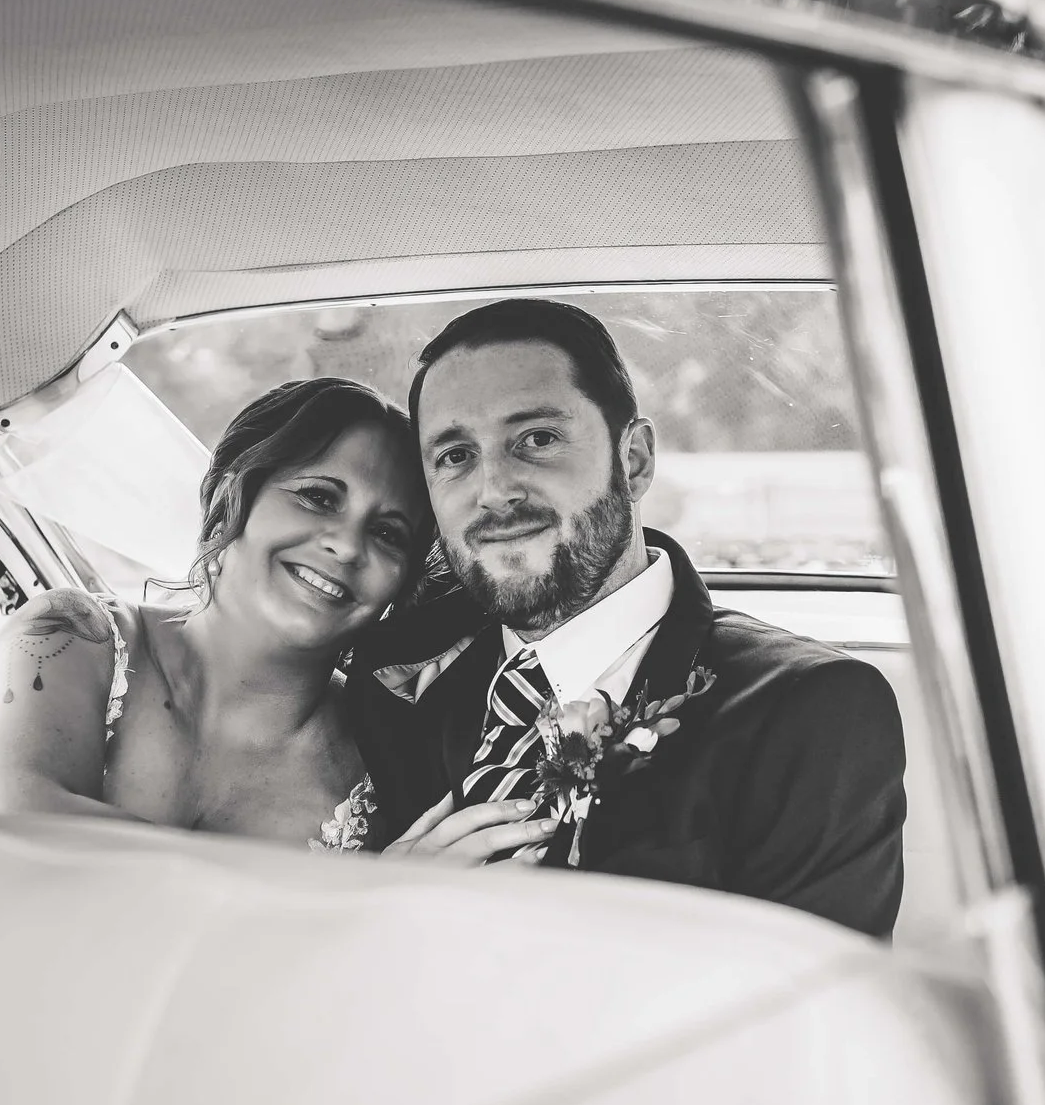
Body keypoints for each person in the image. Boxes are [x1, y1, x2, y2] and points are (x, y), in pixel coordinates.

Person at [350, 299, 907, 939]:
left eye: (537, 439)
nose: (494, 490)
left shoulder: (812, 710)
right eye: (454, 456)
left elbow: (807, 1024)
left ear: (634, 460)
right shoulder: (401, 679)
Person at [0, 377, 562, 864]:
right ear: (236, 494)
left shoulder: (390, 762)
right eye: (318, 497)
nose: (347, 546)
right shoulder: (74, 638)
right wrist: (361, 898)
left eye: (388, 533)